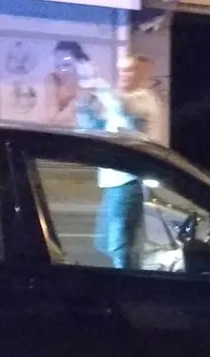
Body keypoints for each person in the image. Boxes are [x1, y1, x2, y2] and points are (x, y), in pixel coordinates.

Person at [76, 54, 163, 270]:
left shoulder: (144, 100)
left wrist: (97, 81)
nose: (124, 76)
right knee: (108, 244)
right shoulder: (123, 101)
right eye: (122, 71)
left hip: (127, 182)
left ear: (144, 74)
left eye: (130, 70)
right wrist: (84, 104)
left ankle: (128, 288)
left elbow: (122, 108)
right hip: (113, 183)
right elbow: (96, 128)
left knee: (121, 246)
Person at [46, 40, 87, 127]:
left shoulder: (91, 83)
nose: (61, 71)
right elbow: (51, 122)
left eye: (66, 65)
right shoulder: (53, 79)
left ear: (80, 63)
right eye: (57, 66)